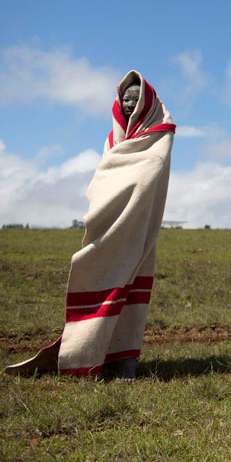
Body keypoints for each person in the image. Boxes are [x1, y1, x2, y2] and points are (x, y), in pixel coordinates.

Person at [5, 71, 175, 381]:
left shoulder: (158, 135)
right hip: (108, 224)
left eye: (135, 100)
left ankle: (126, 365)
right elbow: (105, 177)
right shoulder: (114, 139)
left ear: (146, 103)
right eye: (125, 99)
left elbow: (148, 176)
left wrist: (127, 191)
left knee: (131, 292)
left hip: (138, 230)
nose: (129, 105)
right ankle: (91, 354)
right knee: (101, 278)